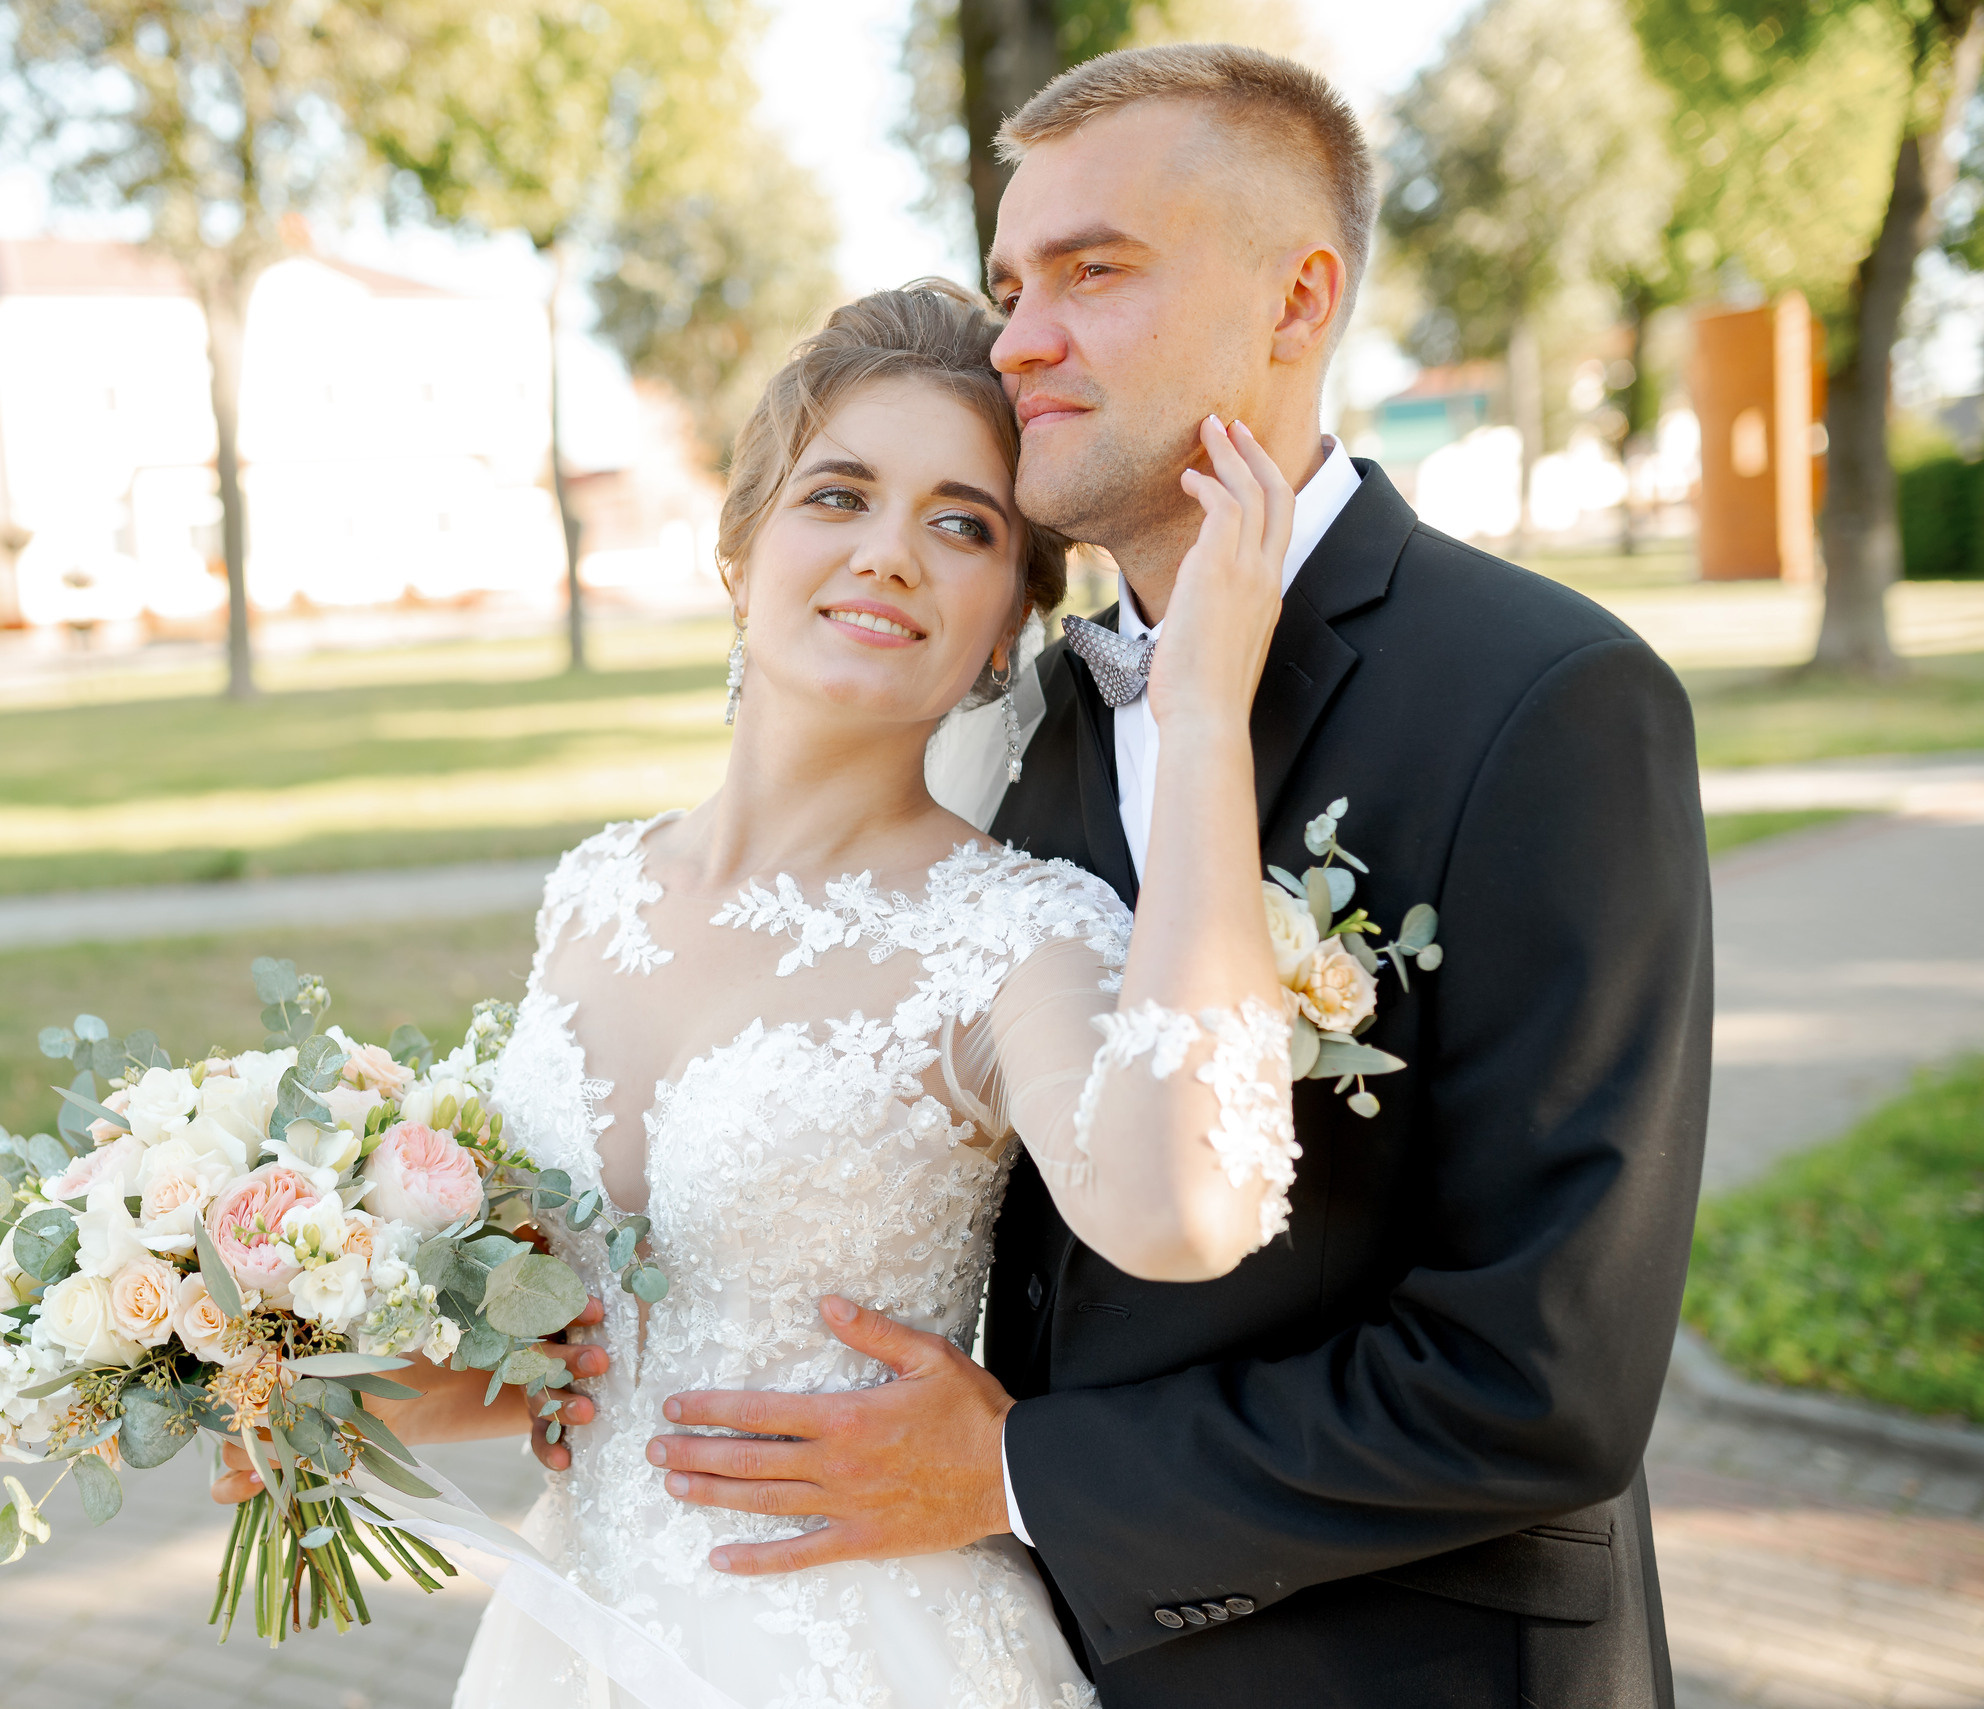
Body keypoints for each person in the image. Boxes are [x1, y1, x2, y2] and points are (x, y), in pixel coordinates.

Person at [643, 44, 1712, 1709]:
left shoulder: (1547, 701)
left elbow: (1544, 1378)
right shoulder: (1026, 719)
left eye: (1096, 271)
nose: (1021, 341)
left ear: (1300, 300)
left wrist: (1018, 1481)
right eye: (1010, 283)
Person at [219, 277, 1313, 1704]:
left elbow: (1180, 1211)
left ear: (1006, 628)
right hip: (580, 1641)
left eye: (963, 524)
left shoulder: (1018, 930)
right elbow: (563, 1356)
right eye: (839, 495)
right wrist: (275, 1368)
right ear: (742, 551)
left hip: (867, 1653)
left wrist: (1203, 717)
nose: (892, 555)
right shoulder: (594, 892)